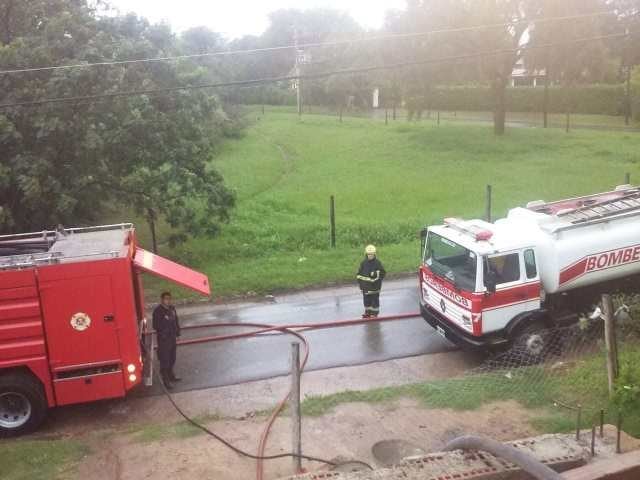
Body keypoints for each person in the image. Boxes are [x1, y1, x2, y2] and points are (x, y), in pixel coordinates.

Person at [152, 291, 181, 388]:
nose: (168, 301)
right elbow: (155, 326)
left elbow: (176, 321)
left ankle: (171, 375)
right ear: (162, 300)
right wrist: (165, 321)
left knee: (172, 358)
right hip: (164, 340)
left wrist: (178, 334)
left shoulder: (172, 309)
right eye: (166, 299)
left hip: (172, 338)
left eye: (169, 299)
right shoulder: (158, 311)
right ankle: (166, 380)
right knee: (165, 360)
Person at [356, 245, 386, 318]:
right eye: (369, 254)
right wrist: (360, 284)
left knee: (374, 300)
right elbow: (359, 274)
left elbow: (382, 273)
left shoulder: (377, 263)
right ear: (366, 254)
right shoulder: (363, 263)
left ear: (374, 254)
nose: (370, 256)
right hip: (365, 287)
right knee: (366, 300)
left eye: (371, 254)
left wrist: (375, 274)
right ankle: (367, 312)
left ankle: (374, 313)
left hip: (374, 287)